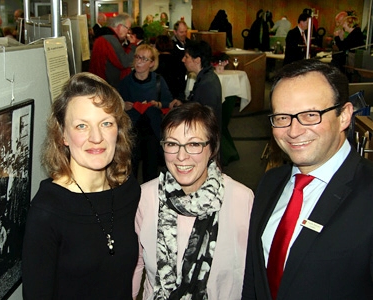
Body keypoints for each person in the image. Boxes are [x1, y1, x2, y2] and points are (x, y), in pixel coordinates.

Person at [242, 59, 373, 299]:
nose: (293, 131)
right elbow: (254, 277)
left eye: (310, 115)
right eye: (282, 117)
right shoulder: (270, 182)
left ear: (344, 115)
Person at [22, 73, 141, 299]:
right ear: (63, 135)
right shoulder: (48, 211)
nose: (96, 137)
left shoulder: (129, 191)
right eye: (81, 126)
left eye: (106, 123)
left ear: (118, 130)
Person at [132, 102, 254, 299]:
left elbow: (253, 272)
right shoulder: (145, 197)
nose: (181, 156)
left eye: (194, 144)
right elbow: (135, 264)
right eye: (172, 144)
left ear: (212, 147)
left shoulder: (241, 199)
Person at [118, 44, 173, 182]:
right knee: (131, 171)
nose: (138, 61)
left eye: (144, 59)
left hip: (153, 132)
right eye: (137, 57)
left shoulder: (158, 81)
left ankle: (150, 200)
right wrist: (123, 106)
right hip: (131, 132)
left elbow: (168, 102)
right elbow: (114, 105)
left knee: (151, 172)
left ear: (152, 63)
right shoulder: (125, 82)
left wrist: (158, 104)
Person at [89, 13, 137, 88]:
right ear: (120, 27)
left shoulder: (103, 37)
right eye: (128, 28)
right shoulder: (111, 39)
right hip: (107, 87)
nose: (128, 32)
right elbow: (125, 62)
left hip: (98, 84)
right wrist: (133, 45)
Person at [170, 20, 190, 101]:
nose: (184, 34)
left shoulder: (190, 43)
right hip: (176, 81)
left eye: (185, 31)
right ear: (175, 32)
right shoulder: (171, 45)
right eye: (181, 32)